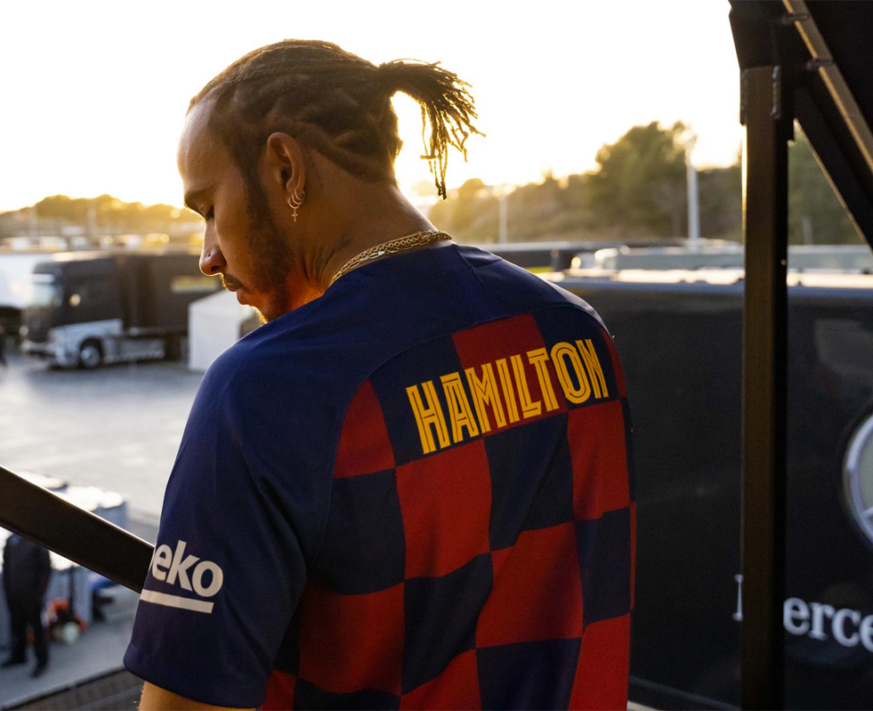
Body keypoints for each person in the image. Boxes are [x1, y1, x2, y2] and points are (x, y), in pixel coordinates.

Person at [126, 40, 634, 710]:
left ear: (285, 167)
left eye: (208, 209)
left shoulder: (264, 391)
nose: (207, 256)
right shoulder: (576, 331)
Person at [2, 533, 51, 678]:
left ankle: (42, 661)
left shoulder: (38, 542)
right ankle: (18, 656)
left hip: (32, 595)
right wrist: (7, 590)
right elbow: (6, 566)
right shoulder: (11, 541)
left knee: (37, 629)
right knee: (17, 626)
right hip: (14, 593)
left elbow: (45, 570)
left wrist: (39, 593)